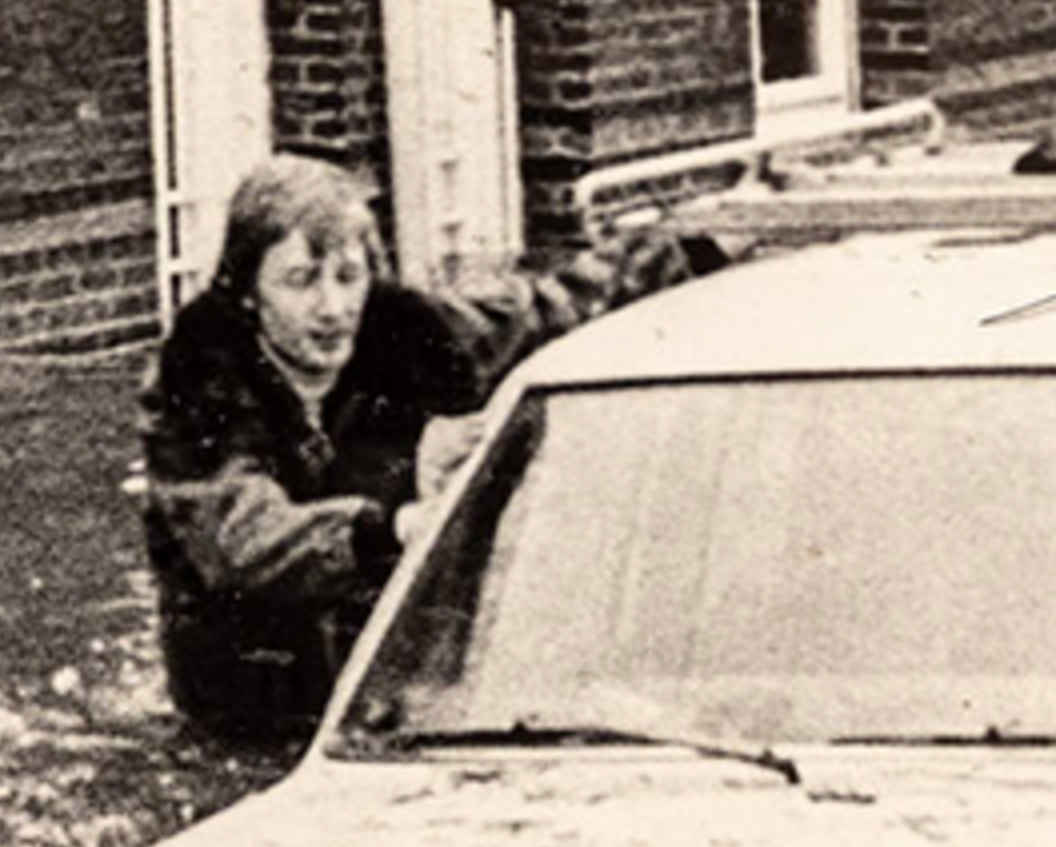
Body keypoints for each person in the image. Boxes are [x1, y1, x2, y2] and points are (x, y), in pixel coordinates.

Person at [139, 158, 703, 756]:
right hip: (247, 714)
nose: (332, 308)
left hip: (389, 695)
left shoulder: (414, 340)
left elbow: (560, 306)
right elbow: (242, 540)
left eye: (348, 276)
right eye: (301, 281)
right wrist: (387, 528)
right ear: (248, 291)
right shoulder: (194, 391)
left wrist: (692, 253)